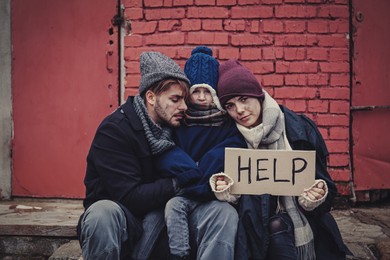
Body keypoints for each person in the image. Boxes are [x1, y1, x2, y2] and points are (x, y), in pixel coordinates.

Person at [77, 52, 238, 260]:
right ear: (151, 97)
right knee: (102, 213)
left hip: (170, 221)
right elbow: (130, 197)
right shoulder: (115, 130)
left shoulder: (173, 126)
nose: (184, 106)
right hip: (126, 226)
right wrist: (178, 183)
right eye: (175, 99)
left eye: (184, 99)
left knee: (222, 213)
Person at [209, 59, 351, 260]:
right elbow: (235, 199)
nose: (239, 110)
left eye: (243, 99)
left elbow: (326, 189)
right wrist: (226, 189)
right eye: (230, 105)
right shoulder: (230, 140)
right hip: (253, 225)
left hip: (301, 219)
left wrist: (315, 195)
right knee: (273, 225)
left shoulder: (298, 128)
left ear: (258, 95)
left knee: (277, 224)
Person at [156, 46, 245, 259]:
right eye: (197, 91)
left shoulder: (225, 122)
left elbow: (230, 149)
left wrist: (204, 166)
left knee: (223, 214)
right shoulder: (180, 121)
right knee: (172, 207)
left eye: (208, 91)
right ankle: (180, 253)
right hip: (185, 189)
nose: (202, 97)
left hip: (212, 190)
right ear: (188, 93)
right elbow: (168, 150)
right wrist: (189, 169)